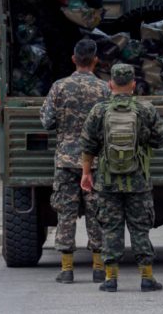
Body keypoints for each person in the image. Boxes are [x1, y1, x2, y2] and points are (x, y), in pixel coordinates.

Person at [80, 64, 163, 293]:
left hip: (107, 182)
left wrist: (86, 173)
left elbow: (88, 145)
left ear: (110, 84)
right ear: (133, 84)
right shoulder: (146, 109)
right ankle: (147, 278)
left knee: (111, 229)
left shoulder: (99, 110)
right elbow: (160, 139)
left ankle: (111, 279)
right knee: (140, 229)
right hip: (138, 182)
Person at [40, 39, 111, 284]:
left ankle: (67, 270)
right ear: (95, 61)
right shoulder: (104, 89)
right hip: (96, 162)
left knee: (66, 213)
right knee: (97, 213)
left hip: (65, 161)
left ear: (73, 59)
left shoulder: (59, 87)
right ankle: (98, 268)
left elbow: (47, 121)